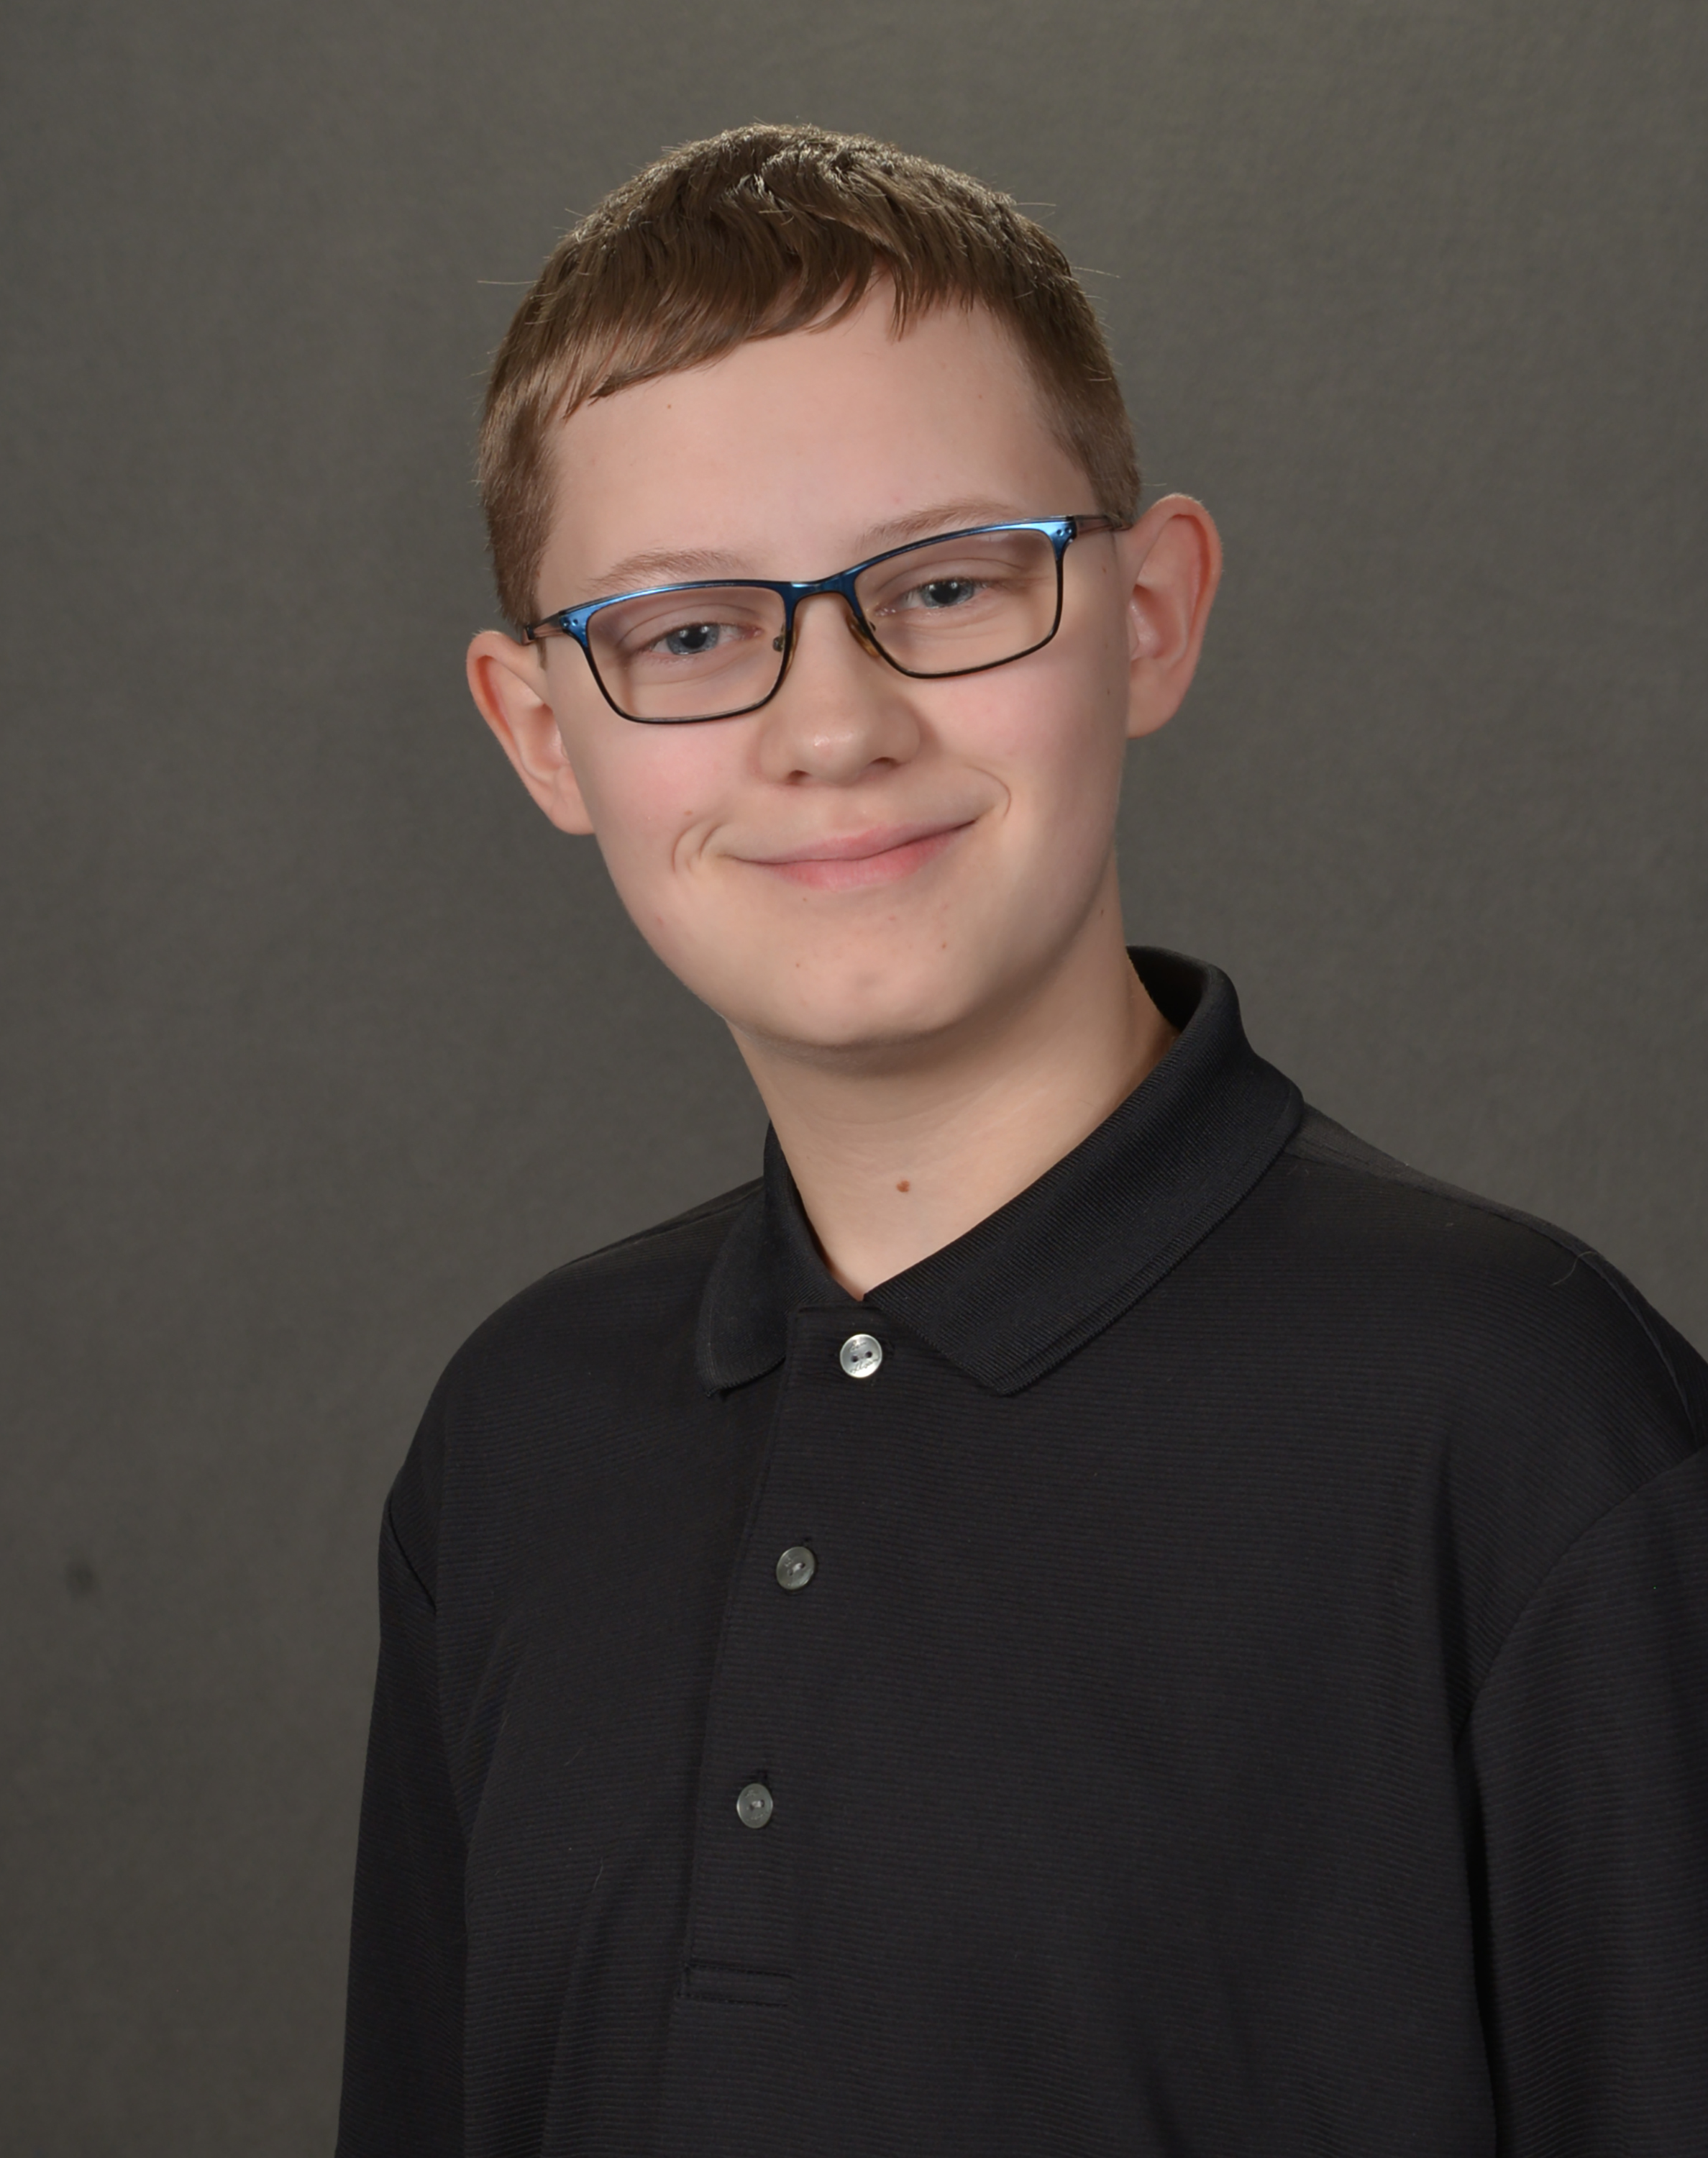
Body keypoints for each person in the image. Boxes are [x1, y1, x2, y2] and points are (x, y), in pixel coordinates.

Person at [336, 124, 1708, 2157]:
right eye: (690, 631)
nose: (834, 727)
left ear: (1148, 616)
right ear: (544, 729)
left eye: (950, 584)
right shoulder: (515, 1444)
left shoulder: (1523, 1424)